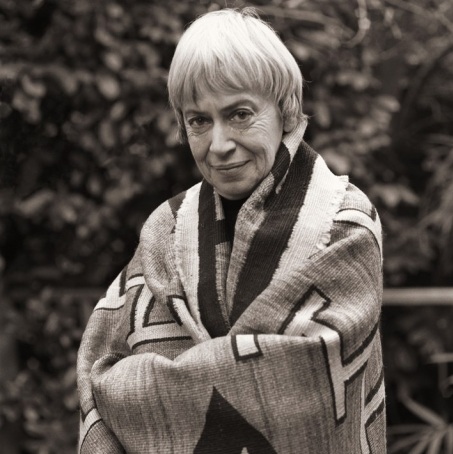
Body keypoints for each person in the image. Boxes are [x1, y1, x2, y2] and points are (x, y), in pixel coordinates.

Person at [77, 8, 386, 454]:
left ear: (285, 109)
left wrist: (148, 389)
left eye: (239, 114)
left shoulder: (344, 223)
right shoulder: (166, 229)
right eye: (198, 121)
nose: (218, 145)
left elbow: (312, 394)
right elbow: (96, 373)